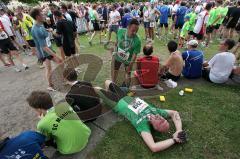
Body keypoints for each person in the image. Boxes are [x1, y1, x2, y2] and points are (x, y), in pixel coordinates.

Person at [95, 80, 186, 153]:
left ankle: (104, 97)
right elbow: (175, 113)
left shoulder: (143, 125)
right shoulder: (157, 112)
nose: (160, 117)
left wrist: (173, 140)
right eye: (164, 119)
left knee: (96, 89)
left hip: (117, 103)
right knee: (107, 82)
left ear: (155, 127)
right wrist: (179, 130)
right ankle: (107, 94)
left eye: (160, 122)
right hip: (126, 96)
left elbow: (154, 147)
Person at [26, 91, 91, 155]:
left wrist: (44, 120)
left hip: (69, 149)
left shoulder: (42, 124)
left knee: (47, 137)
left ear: (39, 109)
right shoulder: (65, 105)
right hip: (86, 135)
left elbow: (45, 139)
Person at [30, 8, 62, 91]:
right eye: (42, 14)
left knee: (60, 63)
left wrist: (48, 30)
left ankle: (61, 79)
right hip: (44, 52)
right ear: (37, 16)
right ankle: (50, 85)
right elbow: (43, 46)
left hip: (48, 49)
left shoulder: (40, 25)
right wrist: (56, 55)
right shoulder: (36, 29)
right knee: (49, 68)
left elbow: (43, 32)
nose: (44, 15)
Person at [112, 19, 141, 87]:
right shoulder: (120, 31)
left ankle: (127, 88)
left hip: (128, 60)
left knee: (127, 73)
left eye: (136, 31)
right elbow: (116, 42)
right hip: (118, 57)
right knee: (115, 70)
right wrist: (114, 51)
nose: (135, 33)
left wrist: (130, 65)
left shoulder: (137, 40)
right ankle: (113, 85)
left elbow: (134, 55)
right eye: (133, 30)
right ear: (128, 27)